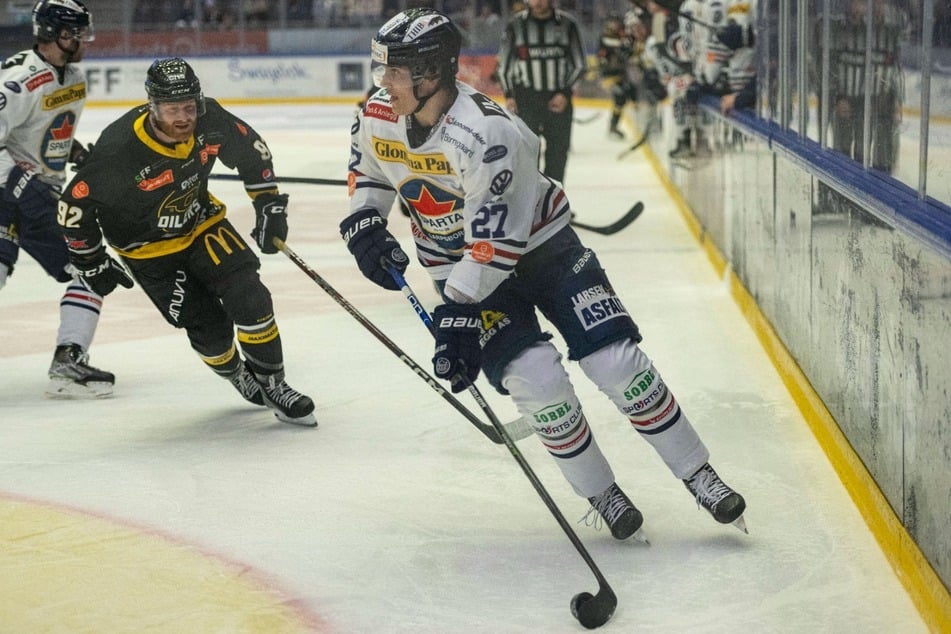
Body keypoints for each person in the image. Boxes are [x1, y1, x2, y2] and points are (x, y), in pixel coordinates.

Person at [342, 8, 747, 539]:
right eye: (383, 70)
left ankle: (699, 473)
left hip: (541, 250)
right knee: (538, 383)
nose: (383, 83)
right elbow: (368, 171)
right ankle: (601, 491)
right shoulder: (377, 112)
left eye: (395, 72)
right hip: (456, 265)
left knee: (616, 363)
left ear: (432, 74)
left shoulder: (489, 133)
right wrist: (365, 220)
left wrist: (457, 313)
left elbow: (494, 245)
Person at [57, 57, 316, 426]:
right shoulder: (120, 150)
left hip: (202, 224)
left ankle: (275, 384)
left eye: (189, 107)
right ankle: (237, 375)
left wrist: (269, 204)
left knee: (250, 296)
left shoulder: (210, 120)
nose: (183, 117)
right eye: (172, 109)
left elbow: (251, 150)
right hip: (148, 250)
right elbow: (73, 205)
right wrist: (90, 260)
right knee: (209, 329)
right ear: (152, 106)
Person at [0, 0, 116, 398]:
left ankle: (69, 359)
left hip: (43, 193)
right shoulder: (18, 81)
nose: (84, 40)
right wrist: (17, 179)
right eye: (77, 33)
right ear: (54, 34)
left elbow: (45, 134)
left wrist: (75, 154)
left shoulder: (74, 77)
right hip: (4, 193)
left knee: (91, 267)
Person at [496, 0, 586, 184]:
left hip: (559, 99)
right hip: (526, 99)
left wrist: (564, 93)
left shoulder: (568, 25)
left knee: (558, 156)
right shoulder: (516, 25)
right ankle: (531, 207)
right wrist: (509, 95)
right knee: (527, 157)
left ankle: (554, 208)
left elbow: (579, 64)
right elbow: (503, 66)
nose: (537, 2)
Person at [596, 15, 638, 139]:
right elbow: (619, 48)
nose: (613, 25)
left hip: (620, 75)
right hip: (608, 76)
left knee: (630, 94)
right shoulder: (606, 37)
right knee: (620, 95)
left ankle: (642, 123)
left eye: (615, 22)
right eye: (611, 22)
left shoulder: (622, 36)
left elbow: (627, 51)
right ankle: (613, 127)